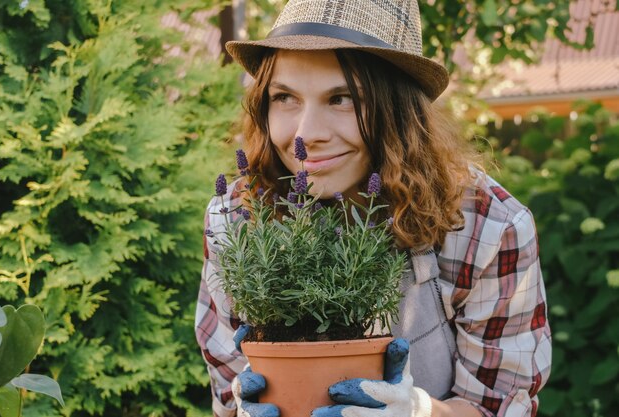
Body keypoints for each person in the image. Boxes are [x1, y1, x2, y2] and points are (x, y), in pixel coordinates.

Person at [195, 1, 552, 416]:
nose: (306, 135)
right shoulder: (235, 216)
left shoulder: (486, 225)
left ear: (399, 111)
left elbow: (499, 406)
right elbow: (227, 389)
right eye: (285, 97)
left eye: (343, 98)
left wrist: (417, 412)